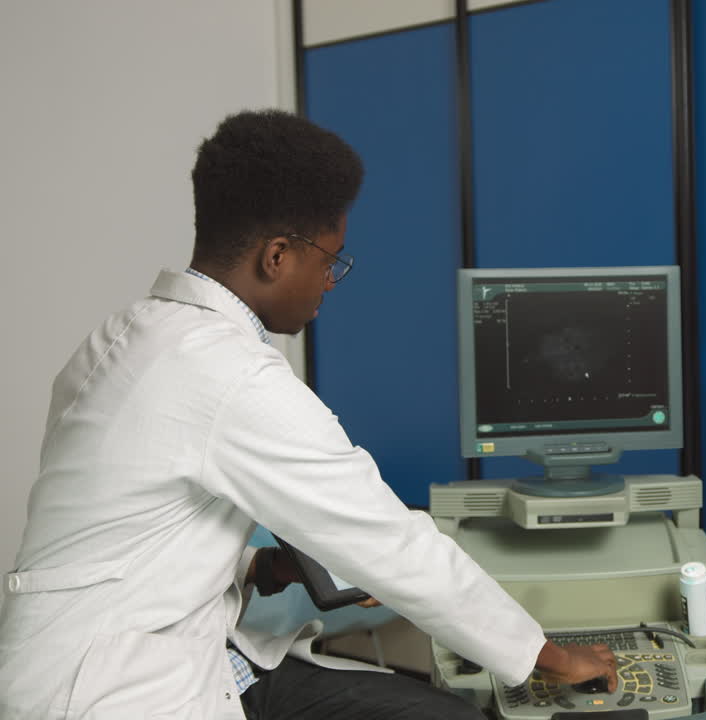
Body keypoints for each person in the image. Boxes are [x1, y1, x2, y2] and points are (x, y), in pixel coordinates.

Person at [0, 109, 616, 719]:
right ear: (276, 256)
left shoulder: (119, 338)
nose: (330, 281)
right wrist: (550, 658)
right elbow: (393, 545)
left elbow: (126, 529)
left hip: (154, 657)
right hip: (114, 694)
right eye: (330, 260)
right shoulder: (231, 375)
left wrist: (265, 564)